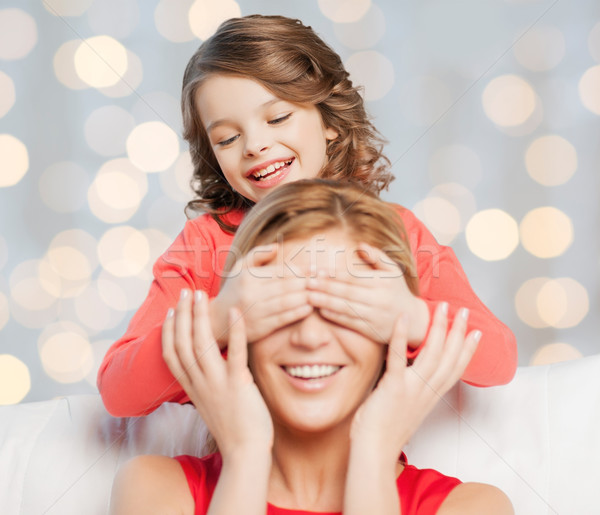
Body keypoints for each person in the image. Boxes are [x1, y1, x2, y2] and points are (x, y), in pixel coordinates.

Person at [97, 14, 517, 418]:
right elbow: (119, 393)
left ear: (329, 120)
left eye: (278, 117)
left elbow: (499, 361)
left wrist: (409, 318)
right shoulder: (203, 245)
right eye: (227, 138)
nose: (255, 145)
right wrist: (220, 319)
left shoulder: (395, 232)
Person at [109, 180, 514, 514]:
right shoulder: (155, 490)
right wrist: (244, 456)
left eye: (343, 309)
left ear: (395, 335)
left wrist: (373, 456)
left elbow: (495, 354)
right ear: (239, 337)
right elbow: (119, 385)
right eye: (282, 308)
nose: (310, 337)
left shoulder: (473, 507)